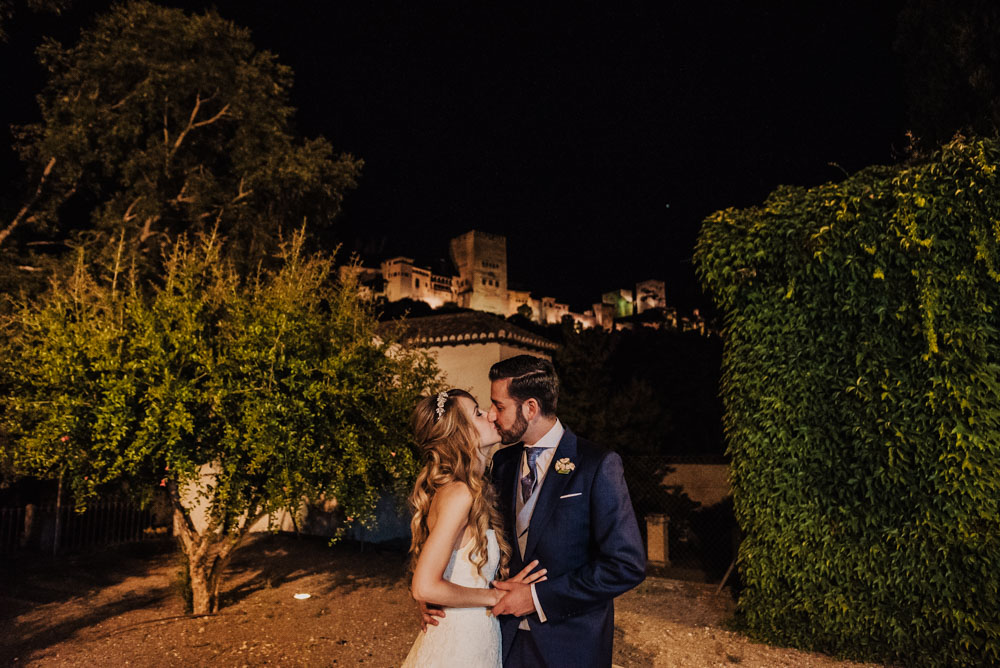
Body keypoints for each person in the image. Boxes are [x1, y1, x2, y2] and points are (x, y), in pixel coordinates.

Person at [487, 355, 646, 667]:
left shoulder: (596, 465)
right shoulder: (502, 463)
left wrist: (536, 598)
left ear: (530, 408)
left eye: (499, 405)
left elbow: (626, 564)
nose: (492, 415)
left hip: (569, 646)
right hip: (505, 640)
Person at [402, 388, 548, 668]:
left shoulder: (468, 489)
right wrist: (496, 596)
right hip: (460, 643)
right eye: (478, 413)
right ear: (460, 433)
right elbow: (424, 586)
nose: (491, 415)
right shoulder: (459, 493)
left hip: (474, 634)